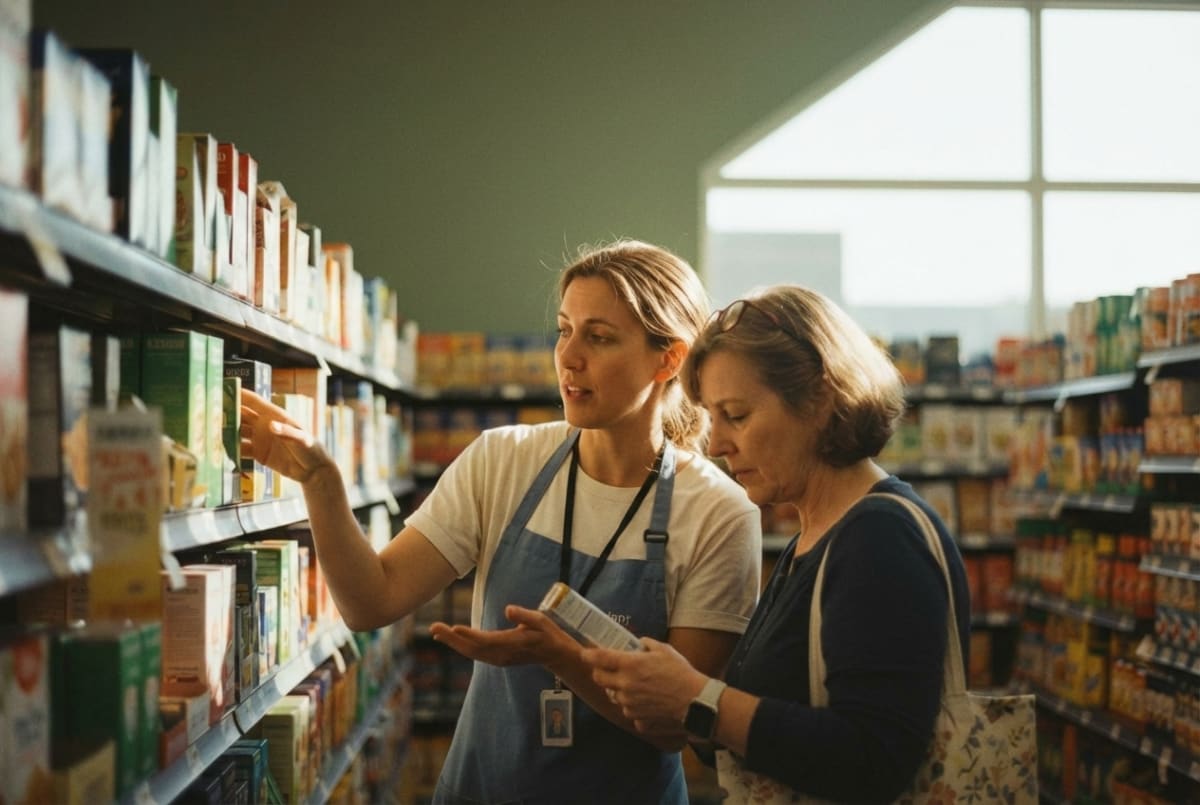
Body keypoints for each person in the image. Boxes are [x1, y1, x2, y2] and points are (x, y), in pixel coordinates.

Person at [239, 239, 763, 804]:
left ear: (669, 360)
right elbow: (372, 601)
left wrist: (559, 655)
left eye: (600, 337)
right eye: (564, 330)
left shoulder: (718, 514)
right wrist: (322, 484)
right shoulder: (504, 461)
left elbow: (674, 727)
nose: (569, 356)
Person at [579, 286, 972, 802]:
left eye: (736, 415)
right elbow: (777, 722)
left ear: (819, 399)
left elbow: (873, 760)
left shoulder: (880, 538)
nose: (716, 444)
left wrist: (699, 696)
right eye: (711, 418)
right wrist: (673, 698)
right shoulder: (815, 537)